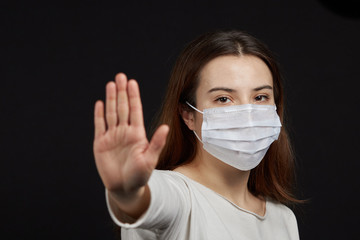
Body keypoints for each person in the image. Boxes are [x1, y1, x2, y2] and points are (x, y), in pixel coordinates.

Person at [93, 30, 301, 239]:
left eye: (260, 96)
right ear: (188, 115)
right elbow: (149, 200)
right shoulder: (180, 199)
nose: (247, 115)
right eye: (223, 99)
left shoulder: (283, 219)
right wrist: (127, 192)